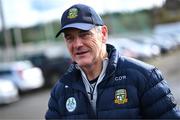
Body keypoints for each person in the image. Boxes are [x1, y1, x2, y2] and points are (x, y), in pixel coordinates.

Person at [45, 4, 180, 119]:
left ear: (103, 34)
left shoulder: (145, 77)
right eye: (70, 38)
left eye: (84, 34)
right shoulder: (60, 92)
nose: (77, 44)